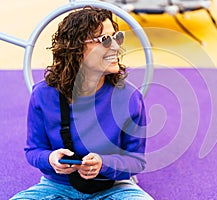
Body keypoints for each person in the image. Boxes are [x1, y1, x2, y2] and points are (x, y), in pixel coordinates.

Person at [10, 6, 153, 200]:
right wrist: (50, 159)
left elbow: (136, 161)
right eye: (104, 40)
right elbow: (34, 150)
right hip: (56, 186)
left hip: (114, 187)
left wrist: (104, 164)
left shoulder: (129, 97)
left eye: (116, 37)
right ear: (75, 49)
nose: (115, 47)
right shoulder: (43, 94)